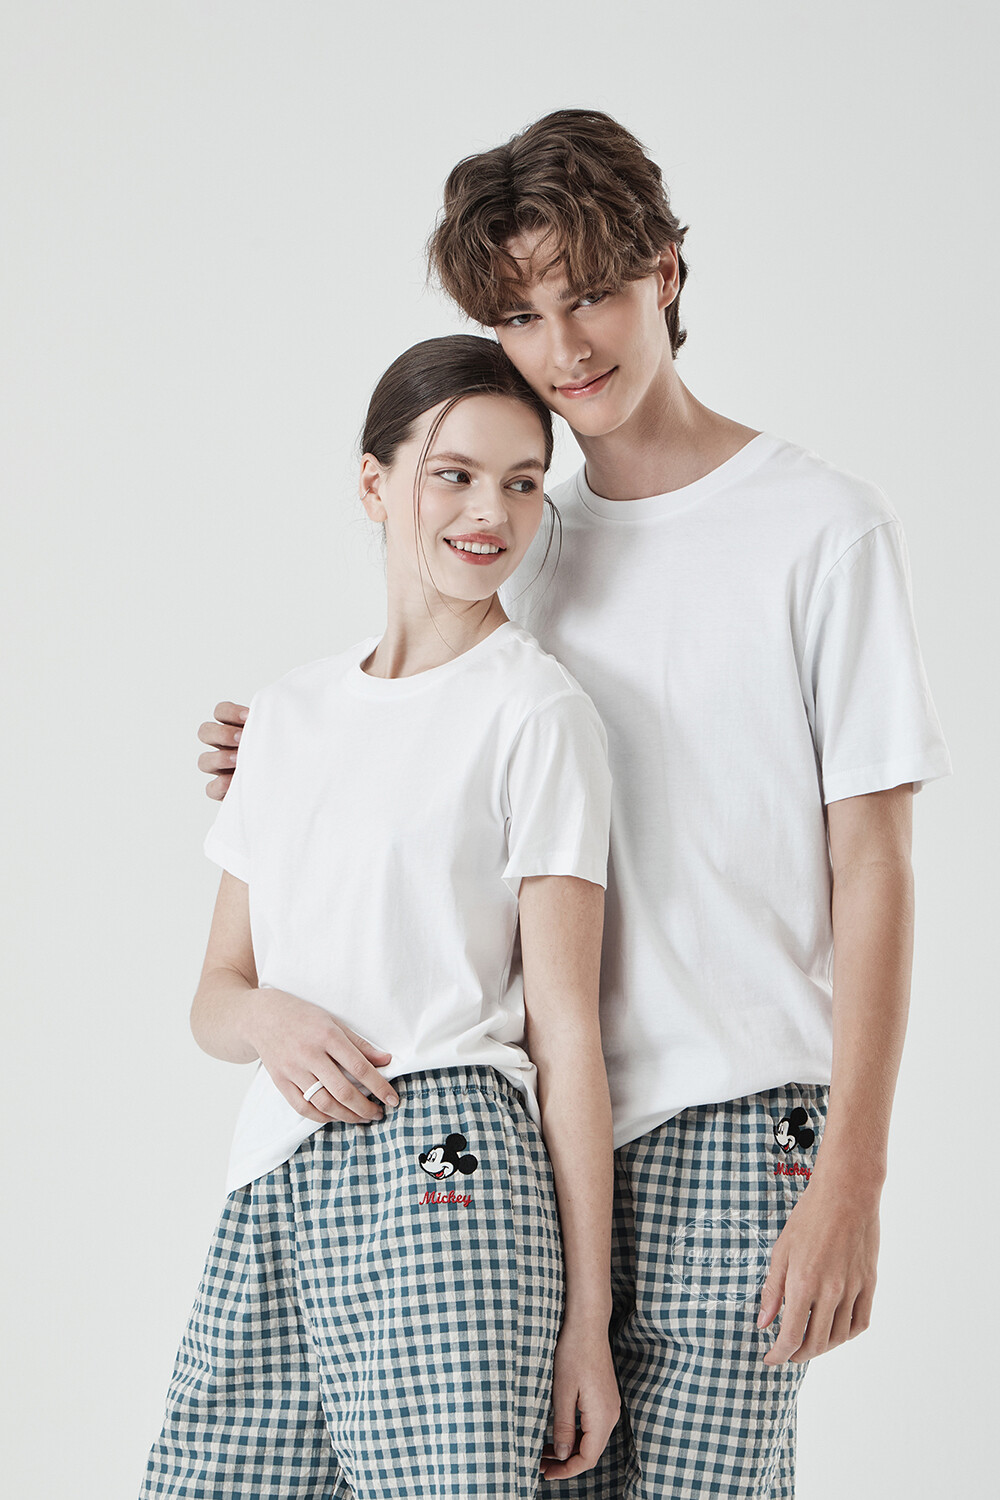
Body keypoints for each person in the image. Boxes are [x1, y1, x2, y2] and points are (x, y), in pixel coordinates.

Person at [199, 110, 952, 1498]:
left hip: (734, 1125)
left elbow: (878, 866)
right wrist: (289, 749)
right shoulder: (525, 530)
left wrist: (855, 1172)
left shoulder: (820, 528)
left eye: (592, 292)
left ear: (666, 271)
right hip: (534, 1143)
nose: (564, 347)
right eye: (520, 316)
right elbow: (439, 732)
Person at [142, 334, 622, 1500]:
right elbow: (214, 994)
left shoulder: (537, 712)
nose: (490, 511)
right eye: (454, 474)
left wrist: (587, 1322)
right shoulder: (286, 715)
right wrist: (269, 1020)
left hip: (448, 1173)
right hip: (275, 1168)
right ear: (374, 483)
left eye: (522, 482)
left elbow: (567, 1032)